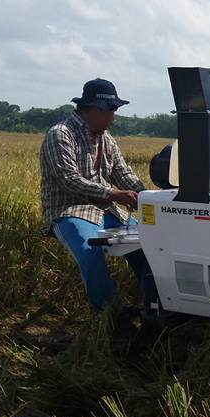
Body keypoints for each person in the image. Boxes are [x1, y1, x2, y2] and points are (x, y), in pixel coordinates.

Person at [40, 78, 157, 311]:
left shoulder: (106, 139)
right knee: (89, 252)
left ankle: (155, 307)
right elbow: (69, 181)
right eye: (111, 110)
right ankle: (110, 315)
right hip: (69, 210)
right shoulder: (60, 134)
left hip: (107, 210)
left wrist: (148, 198)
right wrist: (116, 194)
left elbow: (124, 174)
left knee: (150, 249)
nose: (113, 116)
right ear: (94, 109)